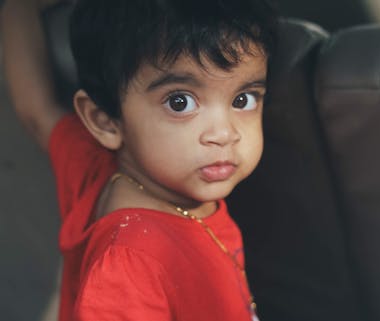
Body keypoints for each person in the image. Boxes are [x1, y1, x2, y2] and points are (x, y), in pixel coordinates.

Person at [1, 0, 277, 320]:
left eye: (243, 99)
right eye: (180, 102)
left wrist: (18, 8)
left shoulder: (91, 166)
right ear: (104, 121)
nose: (225, 133)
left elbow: (37, 112)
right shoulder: (130, 265)